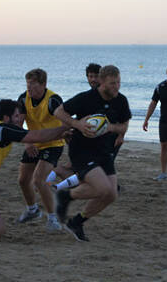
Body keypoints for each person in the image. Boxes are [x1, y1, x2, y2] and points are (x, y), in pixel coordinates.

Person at [0, 99, 68, 239]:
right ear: (6, 118)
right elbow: (38, 136)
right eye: (17, 116)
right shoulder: (3, 129)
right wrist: (69, 126)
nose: (20, 119)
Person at [54, 65, 131, 241]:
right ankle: (65, 195)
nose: (117, 87)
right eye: (112, 83)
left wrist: (111, 128)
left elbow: (124, 126)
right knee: (102, 188)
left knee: (111, 194)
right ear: (101, 82)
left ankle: (77, 221)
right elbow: (59, 112)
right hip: (82, 151)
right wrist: (77, 124)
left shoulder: (121, 101)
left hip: (104, 151)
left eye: (118, 82)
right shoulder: (86, 98)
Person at [16, 68, 65, 232]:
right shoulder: (24, 99)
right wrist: (27, 143)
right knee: (23, 180)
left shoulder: (53, 100)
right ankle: (32, 210)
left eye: (33, 84)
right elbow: (18, 125)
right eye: (27, 84)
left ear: (43, 84)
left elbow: (65, 121)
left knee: (38, 180)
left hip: (53, 143)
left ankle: (52, 219)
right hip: (34, 142)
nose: (29, 88)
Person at [46, 63, 102, 186]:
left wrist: (120, 136)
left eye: (96, 76)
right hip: (83, 139)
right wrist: (71, 127)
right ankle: (51, 184)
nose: (93, 79)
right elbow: (60, 112)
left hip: (98, 140)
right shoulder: (84, 97)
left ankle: (50, 182)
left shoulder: (108, 97)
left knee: (75, 168)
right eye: (90, 76)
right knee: (84, 172)